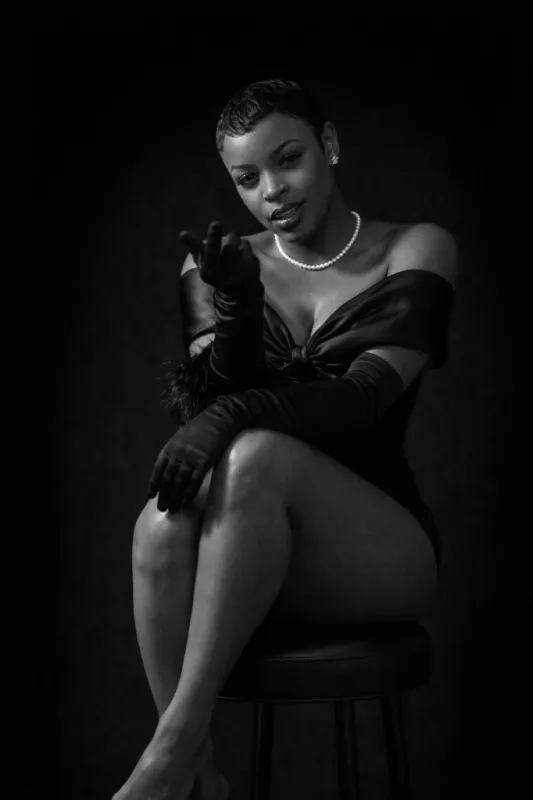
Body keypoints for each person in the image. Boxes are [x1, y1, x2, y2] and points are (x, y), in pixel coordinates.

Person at [112, 78, 457, 800]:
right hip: (248, 551)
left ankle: (168, 755)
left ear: (328, 145)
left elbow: (362, 400)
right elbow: (211, 399)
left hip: (378, 552)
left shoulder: (414, 246)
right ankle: (198, 774)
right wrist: (237, 307)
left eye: (288, 160)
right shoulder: (219, 263)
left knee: (255, 453)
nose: (271, 191)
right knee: (158, 524)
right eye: (247, 179)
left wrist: (229, 419)